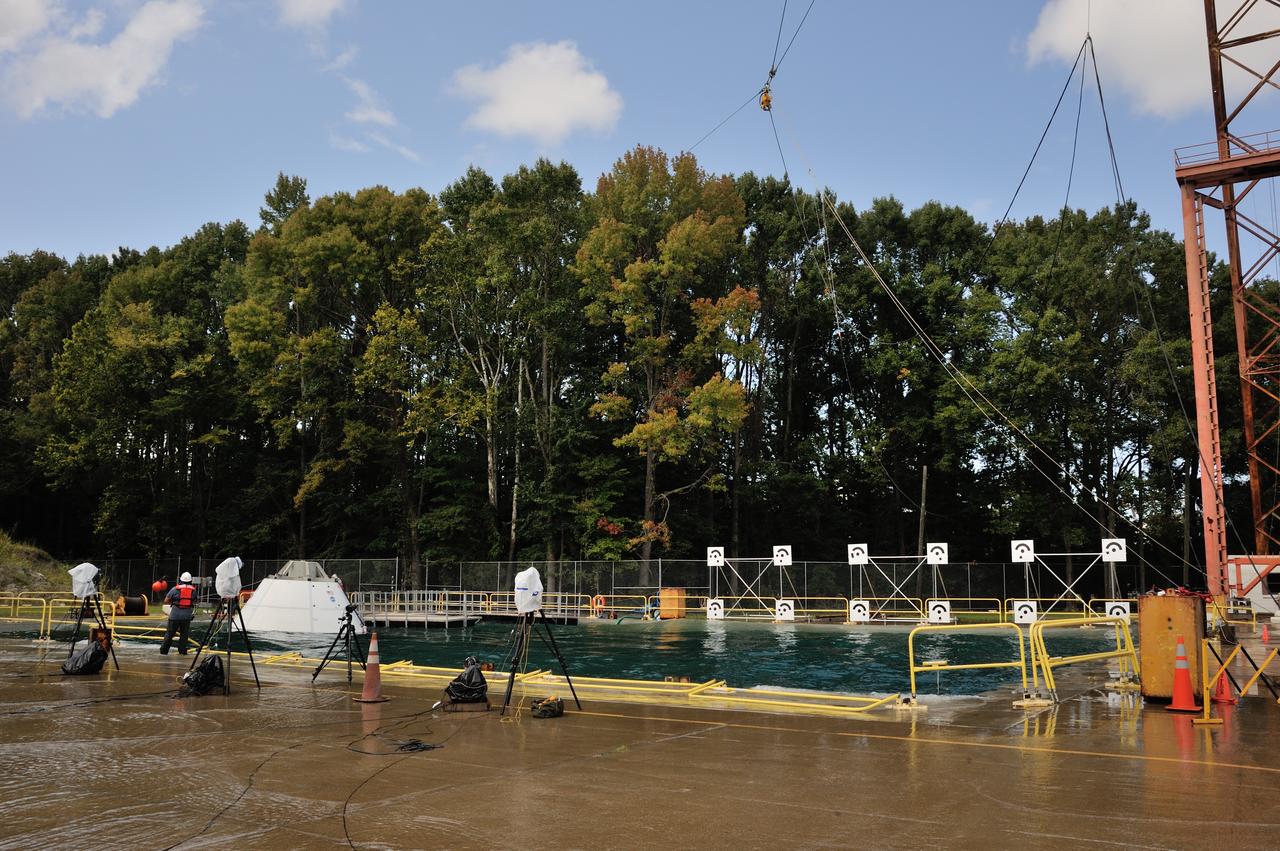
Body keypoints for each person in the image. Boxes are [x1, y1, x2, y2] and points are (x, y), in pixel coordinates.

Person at [160, 571, 197, 655]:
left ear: (181, 580)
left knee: (170, 634)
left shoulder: (174, 589)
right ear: (190, 581)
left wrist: (174, 603)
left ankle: (164, 651)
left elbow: (166, 601)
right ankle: (182, 650)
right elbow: (194, 601)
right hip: (186, 617)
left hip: (174, 616)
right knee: (184, 635)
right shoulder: (194, 591)